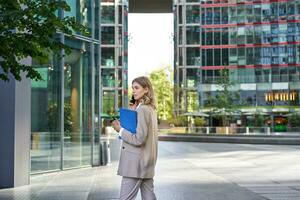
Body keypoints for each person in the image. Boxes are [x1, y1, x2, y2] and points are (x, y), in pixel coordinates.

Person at [112, 76, 158, 200]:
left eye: (137, 88)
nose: (134, 91)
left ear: (146, 89)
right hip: (146, 163)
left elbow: (139, 138)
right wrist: (132, 114)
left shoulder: (142, 110)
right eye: (133, 88)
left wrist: (120, 130)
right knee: (149, 197)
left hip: (135, 164)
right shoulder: (150, 109)